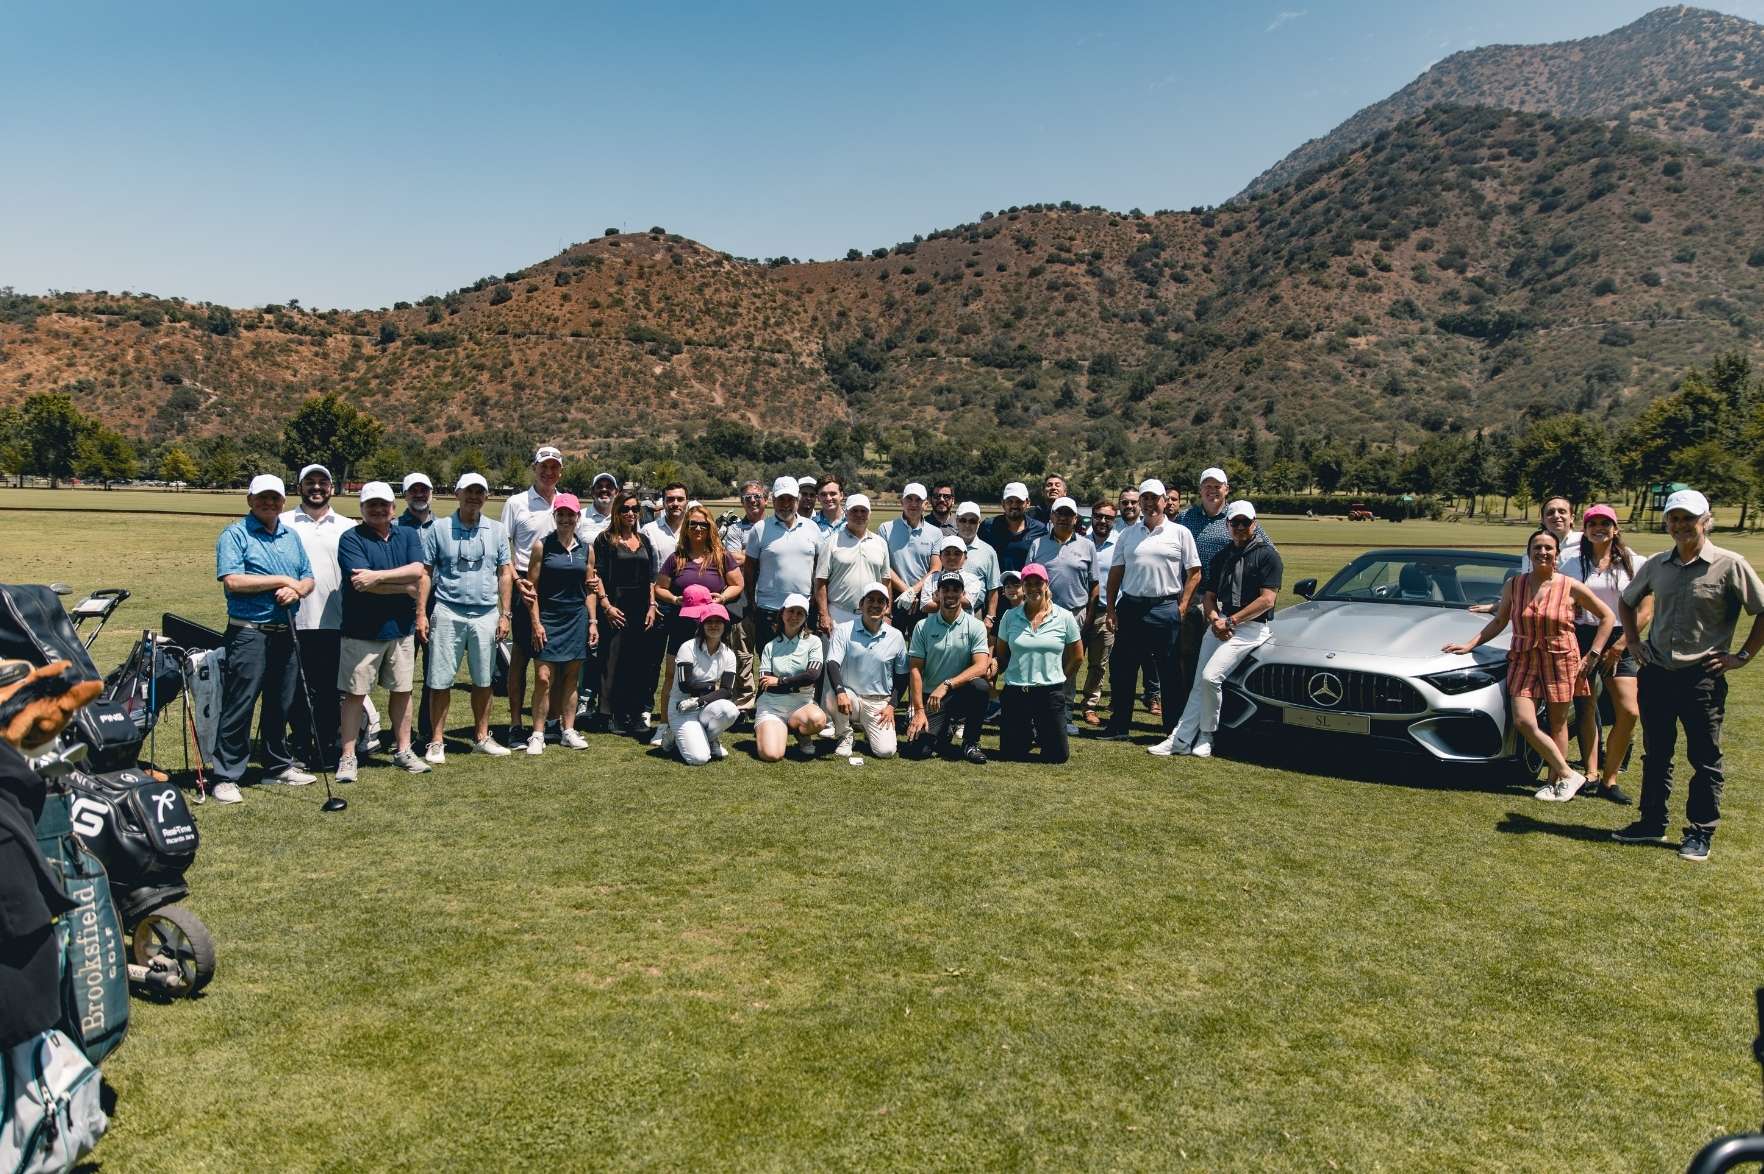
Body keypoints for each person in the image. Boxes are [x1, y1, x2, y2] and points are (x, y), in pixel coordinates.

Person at [1613, 489, 1764, 860]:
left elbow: (1762, 610)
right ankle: (1652, 822)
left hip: (1702, 677)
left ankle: (1700, 831)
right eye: (1674, 519)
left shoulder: (1730, 564)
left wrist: (1742, 656)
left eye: (1688, 519)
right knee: (1656, 753)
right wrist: (1633, 640)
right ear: (1667, 523)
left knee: (1705, 758)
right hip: (1657, 673)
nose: (1680, 525)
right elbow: (1627, 601)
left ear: (1705, 521)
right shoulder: (1656, 564)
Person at [1443, 528, 1614, 801]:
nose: (1542, 552)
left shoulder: (1571, 586)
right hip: (1524, 657)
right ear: (1529, 552)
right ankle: (1568, 774)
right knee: (1524, 720)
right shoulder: (1515, 584)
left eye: (1548, 548)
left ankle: (1555, 783)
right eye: (1537, 548)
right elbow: (1500, 620)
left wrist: (1592, 654)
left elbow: (1607, 616)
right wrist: (1470, 644)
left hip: (1560, 657)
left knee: (1558, 723)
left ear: (1557, 554)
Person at [211, 475, 316, 803]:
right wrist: (282, 580)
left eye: (275, 498)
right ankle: (226, 775)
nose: (269, 503)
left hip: (285, 632)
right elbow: (233, 581)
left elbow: (308, 577)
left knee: (279, 704)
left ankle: (277, 766)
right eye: (262, 498)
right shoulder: (235, 534)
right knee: (240, 705)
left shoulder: (291, 536)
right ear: (250, 500)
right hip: (249, 633)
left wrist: (297, 589)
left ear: (283, 502)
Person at [1160, 501, 1283, 758]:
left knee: (1210, 677)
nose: (1240, 527)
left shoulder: (1267, 555)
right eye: (1235, 522)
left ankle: (1207, 735)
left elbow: (1267, 600)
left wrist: (1231, 622)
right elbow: (1209, 595)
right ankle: (1180, 739)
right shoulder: (1222, 555)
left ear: (1254, 524)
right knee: (1198, 683)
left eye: (1245, 522)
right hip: (1221, 622)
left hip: (1251, 628)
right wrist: (1215, 617)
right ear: (1227, 525)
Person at [336, 481, 431, 780]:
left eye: (383, 505)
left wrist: (377, 577)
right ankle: (348, 756)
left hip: (400, 629)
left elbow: (417, 571)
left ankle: (403, 750)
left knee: (402, 691)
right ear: (362, 508)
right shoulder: (351, 538)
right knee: (355, 694)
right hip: (361, 630)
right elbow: (360, 585)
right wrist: (404, 587)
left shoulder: (408, 534)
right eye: (371, 505)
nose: (378, 510)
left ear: (393, 508)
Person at [421, 472, 514, 762]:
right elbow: (425, 573)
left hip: (486, 613)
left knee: (484, 679)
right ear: (457, 494)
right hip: (448, 610)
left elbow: (504, 573)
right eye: (469, 491)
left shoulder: (497, 530)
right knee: (440, 680)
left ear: (486, 496)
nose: (474, 497)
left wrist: (505, 614)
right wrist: (421, 613)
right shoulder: (439, 528)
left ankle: (482, 736)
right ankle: (437, 741)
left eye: (479, 492)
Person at [1101, 479, 1200, 742]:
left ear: (1165, 501)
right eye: (1144, 498)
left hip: (1164, 607)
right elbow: (1115, 573)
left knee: (1170, 672)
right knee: (1123, 669)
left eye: (1154, 498)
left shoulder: (1180, 532)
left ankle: (1172, 729)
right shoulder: (1128, 534)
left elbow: (1195, 573)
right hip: (1130, 607)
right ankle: (1119, 726)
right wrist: (1110, 608)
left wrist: (1182, 605)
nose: (1149, 503)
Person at [1563, 504, 1645, 803]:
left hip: (1621, 637)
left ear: (1616, 528)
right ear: (1584, 529)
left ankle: (1610, 779)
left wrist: (1620, 645)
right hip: (1582, 635)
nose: (1599, 528)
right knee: (1586, 707)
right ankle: (1591, 773)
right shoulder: (1570, 563)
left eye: (1605, 523)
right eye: (1593, 523)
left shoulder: (1634, 562)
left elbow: (1646, 609)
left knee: (1629, 710)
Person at [283, 463, 350, 771]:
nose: (316, 487)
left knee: (329, 691)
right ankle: (299, 744)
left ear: (332, 488)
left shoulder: (346, 526)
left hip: (333, 621)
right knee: (295, 690)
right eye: (309, 482)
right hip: (293, 620)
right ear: (299, 487)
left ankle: (326, 746)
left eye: (323, 482)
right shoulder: (284, 522)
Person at [500, 446, 563, 742]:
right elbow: (504, 549)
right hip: (525, 581)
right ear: (534, 468)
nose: (548, 472)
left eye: (554, 467)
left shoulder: (564, 502)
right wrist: (517, 580)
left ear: (560, 471)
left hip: (558, 583)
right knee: (521, 655)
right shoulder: (516, 502)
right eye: (543, 466)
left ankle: (551, 720)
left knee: (553, 656)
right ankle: (516, 723)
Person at [993, 564, 1083, 763]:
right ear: (1023, 587)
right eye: (1028, 584)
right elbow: (1002, 654)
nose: (1033, 588)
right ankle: (1030, 733)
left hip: (1049, 693)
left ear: (1046, 584)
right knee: (1011, 754)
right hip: (1016, 692)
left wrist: (1059, 678)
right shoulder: (1009, 616)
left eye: (1038, 583)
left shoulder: (1065, 617)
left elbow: (1077, 656)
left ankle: (1040, 732)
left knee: (1057, 756)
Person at [524, 493, 592, 755]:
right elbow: (532, 589)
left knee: (571, 679)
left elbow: (590, 589)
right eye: (561, 514)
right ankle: (538, 733)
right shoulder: (542, 546)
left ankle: (568, 730)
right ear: (555, 516)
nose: (565, 519)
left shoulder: (587, 549)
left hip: (577, 618)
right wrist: (535, 622)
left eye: (570, 514)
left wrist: (593, 622)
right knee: (543, 678)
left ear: (577, 517)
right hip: (548, 619)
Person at [591, 491, 660, 735]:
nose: (630, 513)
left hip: (641, 609)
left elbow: (651, 578)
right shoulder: (605, 539)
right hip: (615, 608)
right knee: (612, 661)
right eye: (625, 509)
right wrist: (606, 606)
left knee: (637, 662)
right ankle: (609, 713)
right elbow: (597, 575)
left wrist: (652, 606)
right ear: (616, 512)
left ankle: (633, 712)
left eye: (634, 509)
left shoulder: (644, 540)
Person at [1026, 497, 1098, 733]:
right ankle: (1036, 716)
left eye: (1068, 514)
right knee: (1041, 663)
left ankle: (1064, 716)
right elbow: (1027, 579)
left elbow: (1094, 585)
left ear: (1075, 519)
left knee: (1069, 666)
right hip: (1043, 614)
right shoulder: (1037, 544)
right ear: (1052, 517)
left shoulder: (1087, 546)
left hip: (1075, 613)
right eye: (1059, 514)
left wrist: (1088, 617)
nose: (1064, 518)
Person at [905, 572, 993, 764]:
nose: (951, 594)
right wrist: (918, 710)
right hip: (932, 699)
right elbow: (915, 670)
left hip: (960, 693)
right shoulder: (922, 626)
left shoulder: (976, 626)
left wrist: (947, 685)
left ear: (963, 594)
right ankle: (944, 731)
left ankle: (971, 744)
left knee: (980, 687)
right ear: (937, 594)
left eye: (956, 589)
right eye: (946, 589)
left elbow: (981, 666)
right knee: (919, 751)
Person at [827, 582, 908, 759]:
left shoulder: (896, 636)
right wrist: (840, 692)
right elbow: (832, 663)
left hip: (879, 703)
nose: (875, 605)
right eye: (870, 600)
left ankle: (866, 728)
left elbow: (902, 677)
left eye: (881, 601)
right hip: (851, 698)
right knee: (832, 695)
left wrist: (892, 706)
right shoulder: (843, 630)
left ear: (887, 607)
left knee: (886, 751)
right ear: (861, 604)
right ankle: (845, 735)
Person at [743, 476, 822, 658]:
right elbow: (750, 570)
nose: (785, 504)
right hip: (769, 609)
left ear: (797, 500)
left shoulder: (812, 528)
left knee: (801, 662)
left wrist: (815, 597)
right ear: (773, 500)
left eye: (790, 499)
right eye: (781, 499)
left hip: (803, 608)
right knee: (768, 661)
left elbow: (819, 567)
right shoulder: (760, 529)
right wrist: (751, 602)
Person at [664, 588, 740, 766]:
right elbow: (685, 685)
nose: (714, 625)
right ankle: (673, 733)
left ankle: (708, 738)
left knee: (730, 710)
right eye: (709, 622)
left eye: (718, 622)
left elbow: (727, 691)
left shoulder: (728, 654)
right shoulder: (687, 647)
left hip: (703, 705)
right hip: (681, 708)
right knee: (699, 759)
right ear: (702, 625)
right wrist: (712, 687)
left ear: (725, 625)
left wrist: (699, 701)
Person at [656, 503, 743, 656]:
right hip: (681, 625)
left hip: (714, 626)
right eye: (693, 524)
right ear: (686, 527)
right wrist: (675, 599)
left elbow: (737, 584)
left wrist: (723, 597)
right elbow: (659, 588)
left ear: (710, 527)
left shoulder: (722, 556)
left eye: (703, 524)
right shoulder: (676, 558)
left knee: (712, 667)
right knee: (677, 668)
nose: (698, 528)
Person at [813, 494, 903, 634]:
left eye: (863, 511)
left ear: (869, 514)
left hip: (873, 614)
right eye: (854, 510)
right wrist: (824, 614)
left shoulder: (880, 543)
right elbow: (820, 582)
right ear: (846, 513)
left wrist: (887, 613)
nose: (859, 515)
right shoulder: (831, 542)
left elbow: (886, 581)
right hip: (839, 614)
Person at [755, 594, 827, 761]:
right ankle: (777, 728)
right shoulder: (770, 646)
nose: (794, 616)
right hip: (772, 706)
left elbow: (812, 675)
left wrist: (780, 681)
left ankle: (800, 732)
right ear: (782, 613)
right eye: (791, 611)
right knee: (771, 755)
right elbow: (766, 684)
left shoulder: (814, 642)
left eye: (800, 613)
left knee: (817, 720)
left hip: (801, 704)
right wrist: (797, 682)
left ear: (806, 618)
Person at [398, 472, 441, 748]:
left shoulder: (443, 526)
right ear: (405, 495)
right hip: (402, 604)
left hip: (437, 603)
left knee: (433, 672)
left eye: (423, 490)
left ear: (431, 493)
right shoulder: (395, 525)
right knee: (401, 675)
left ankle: (427, 730)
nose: (419, 494)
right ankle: (401, 733)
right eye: (413, 490)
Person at [720, 480, 769, 713]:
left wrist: (747, 555)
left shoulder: (773, 526)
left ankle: (768, 699)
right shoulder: (735, 529)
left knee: (769, 652)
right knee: (742, 653)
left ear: (766, 500)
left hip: (770, 598)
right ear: (742, 502)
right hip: (742, 599)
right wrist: (763, 556)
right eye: (748, 498)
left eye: (757, 496)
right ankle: (744, 701)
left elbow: (743, 557)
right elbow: (731, 558)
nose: (753, 501)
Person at [1114, 486, 1160, 711]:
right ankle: (1118, 701)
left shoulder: (1153, 528)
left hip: (1146, 600)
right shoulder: (1112, 528)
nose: (1130, 506)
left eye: (1133, 502)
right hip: (1120, 602)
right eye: (1125, 502)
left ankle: (1153, 695)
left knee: (1150, 655)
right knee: (1121, 658)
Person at [879, 483, 941, 634]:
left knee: (921, 644)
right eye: (909, 499)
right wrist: (907, 591)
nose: (913, 504)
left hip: (923, 597)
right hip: (894, 596)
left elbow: (936, 568)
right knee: (892, 643)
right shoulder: (885, 528)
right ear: (902, 502)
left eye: (918, 500)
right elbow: (884, 566)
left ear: (926, 504)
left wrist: (913, 591)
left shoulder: (936, 533)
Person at [1078, 499, 1119, 727]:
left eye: (1108, 518)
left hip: (1105, 612)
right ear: (1092, 517)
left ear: (1115, 520)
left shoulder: (1120, 544)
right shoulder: (1080, 542)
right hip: (1080, 611)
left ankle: (1089, 706)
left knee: (1098, 664)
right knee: (1071, 659)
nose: (1103, 521)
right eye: (1099, 516)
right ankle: (1063, 704)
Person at [979, 482, 1048, 574]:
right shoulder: (988, 526)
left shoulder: (1040, 529)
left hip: (1025, 582)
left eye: (1019, 501)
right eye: (1010, 501)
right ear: (1003, 503)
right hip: (995, 583)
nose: (1014, 505)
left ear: (1028, 503)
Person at [952, 501, 1001, 629]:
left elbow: (993, 588)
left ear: (979, 523)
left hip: (975, 612)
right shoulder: (945, 545)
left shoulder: (988, 551)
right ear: (957, 521)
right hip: (945, 610)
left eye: (973, 521)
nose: (967, 525)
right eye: (963, 520)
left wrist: (990, 616)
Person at [910, 536, 987, 615]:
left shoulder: (972, 579)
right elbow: (925, 607)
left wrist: (937, 598)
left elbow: (967, 603)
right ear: (940, 557)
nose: (952, 557)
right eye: (947, 553)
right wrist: (958, 599)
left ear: (965, 557)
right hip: (935, 623)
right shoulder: (931, 578)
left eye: (957, 554)